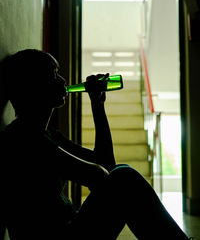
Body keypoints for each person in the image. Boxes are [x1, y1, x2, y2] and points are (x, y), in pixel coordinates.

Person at [0, 49, 191, 240]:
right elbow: (98, 175)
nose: (63, 81)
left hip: (69, 229)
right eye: (53, 75)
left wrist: (97, 105)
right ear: (34, 85)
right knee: (124, 177)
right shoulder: (24, 138)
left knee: (122, 172)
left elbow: (106, 163)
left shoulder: (48, 135)